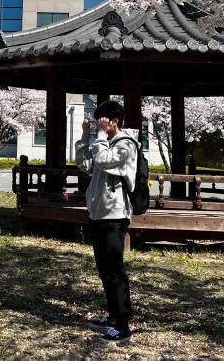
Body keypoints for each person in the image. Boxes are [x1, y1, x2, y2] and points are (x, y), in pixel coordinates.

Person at [75, 99, 138, 345]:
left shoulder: (126, 144)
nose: (99, 125)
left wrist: (99, 136)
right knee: (104, 269)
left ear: (114, 121)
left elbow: (103, 160)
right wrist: (85, 137)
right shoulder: (106, 144)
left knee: (114, 270)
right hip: (99, 214)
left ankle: (123, 325)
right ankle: (112, 316)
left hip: (115, 214)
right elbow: (86, 165)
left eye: (102, 121)